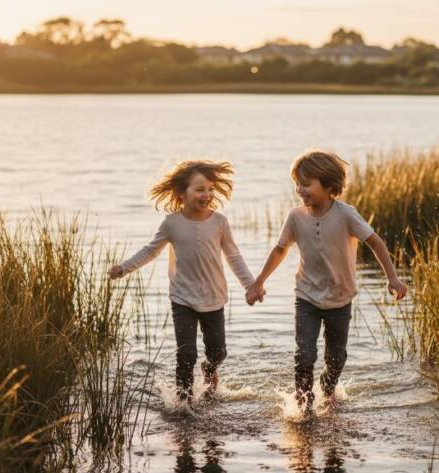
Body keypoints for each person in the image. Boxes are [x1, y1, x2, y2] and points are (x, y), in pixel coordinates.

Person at [246, 149, 407, 413]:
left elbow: (375, 242)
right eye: (297, 183)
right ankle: (303, 404)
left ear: (329, 185)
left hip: (340, 298)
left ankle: (328, 390)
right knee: (305, 355)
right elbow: (279, 250)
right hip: (306, 297)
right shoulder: (295, 216)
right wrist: (258, 282)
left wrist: (392, 277)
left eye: (306, 183)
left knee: (336, 358)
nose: (300, 189)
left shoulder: (346, 214)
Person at [110, 160, 257, 402]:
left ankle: (209, 371)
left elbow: (233, 256)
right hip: (183, 299)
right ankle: (184, 402)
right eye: (200, 189)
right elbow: (150, 251)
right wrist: (124, 268)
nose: (207, 194)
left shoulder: (220, 222)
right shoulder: (172, 223)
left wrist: (250, 285)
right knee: (186, 354)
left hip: (214, 298)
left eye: (210, 189)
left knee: (218, 352)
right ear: (182, 193)